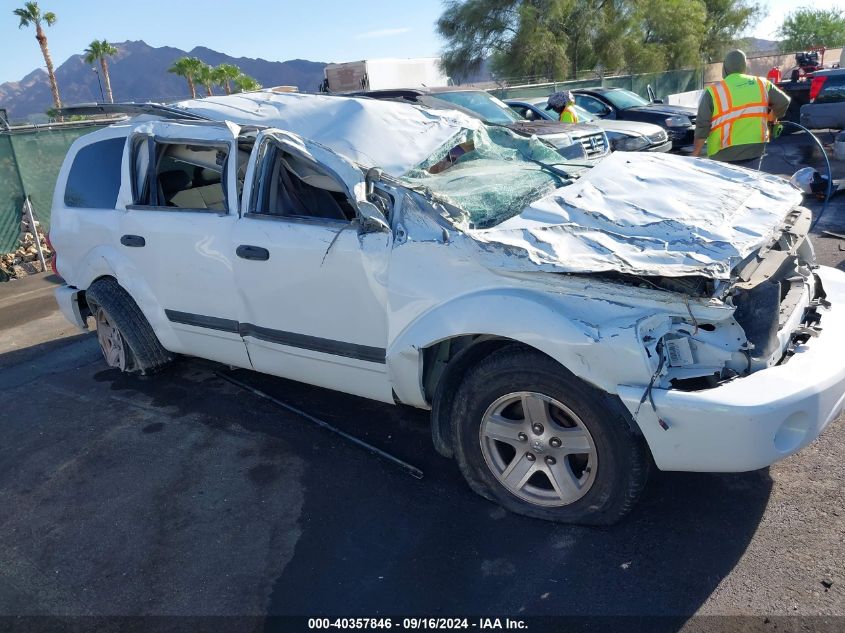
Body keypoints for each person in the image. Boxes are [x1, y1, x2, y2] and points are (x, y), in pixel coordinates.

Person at [691, 49, 790, 165]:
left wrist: (695, 154)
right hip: (755, 150)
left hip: (723, 153)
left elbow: (702, 125)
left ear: (725, 68)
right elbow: (784, 101)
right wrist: (772, 118)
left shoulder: (713, 92)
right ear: (744, 66)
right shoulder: (761, 84)